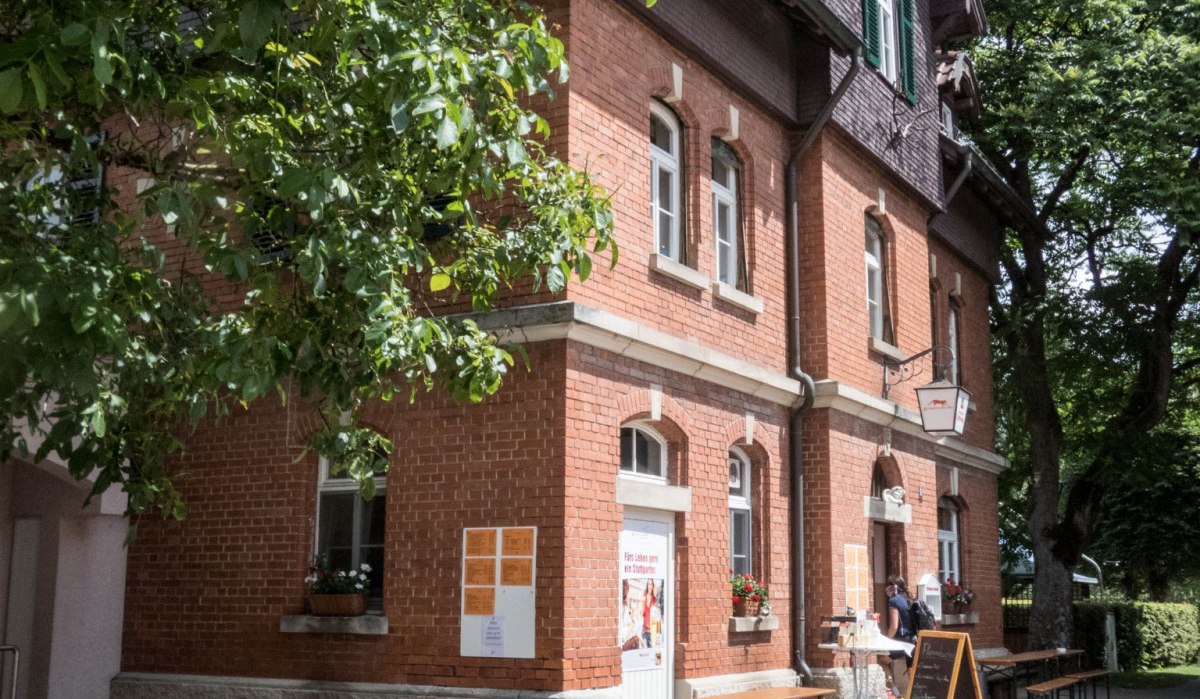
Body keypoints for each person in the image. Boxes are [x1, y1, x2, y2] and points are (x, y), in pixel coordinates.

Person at [885, 575, 915, 695]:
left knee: (881, 661)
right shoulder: (910, 599)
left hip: (901, 642)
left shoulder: (894, 601)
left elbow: (894, 626)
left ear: (892, 587)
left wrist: (887, 641)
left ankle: (896, 693)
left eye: (888, 585)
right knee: (911, 669)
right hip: (914, 640)